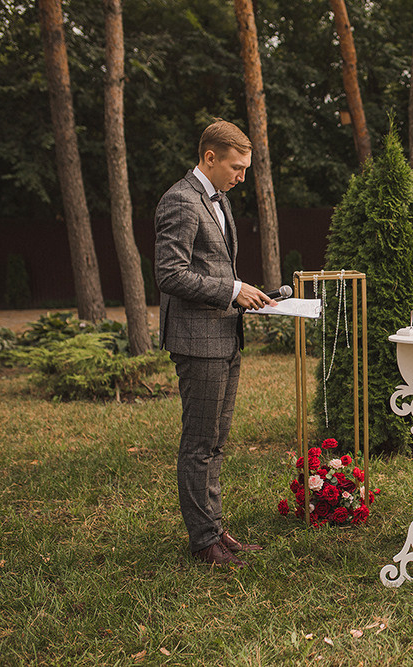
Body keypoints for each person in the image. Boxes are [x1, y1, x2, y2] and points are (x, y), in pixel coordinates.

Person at [155, 119, 275, 568]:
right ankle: (204, 542)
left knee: (217, 442)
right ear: (210, 157)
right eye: (236, 167)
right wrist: (232, 291)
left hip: (225, 335)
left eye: (245, 168)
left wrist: (243, 293)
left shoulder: (219, 200)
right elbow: (169, 274)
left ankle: (215, 528)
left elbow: (213, 267)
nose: (241, 176)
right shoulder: (180, 201)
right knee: (199, 443)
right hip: (197, 340)